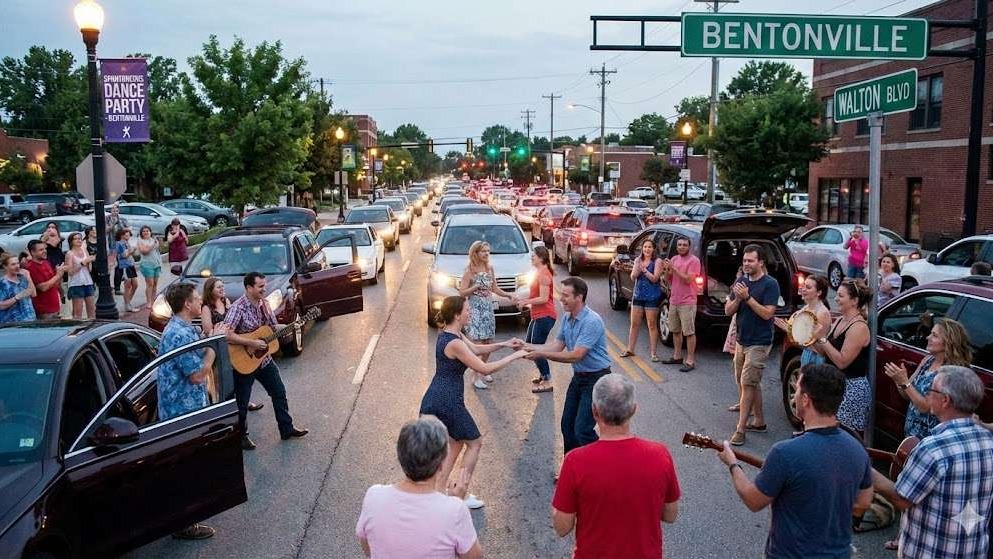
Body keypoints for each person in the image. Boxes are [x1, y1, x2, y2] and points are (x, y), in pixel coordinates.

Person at [718, 363, 874, 558]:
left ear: (807, 400)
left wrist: (733, 464)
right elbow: (864, 501)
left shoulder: (785, 452)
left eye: (798, 389)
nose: (795, 394)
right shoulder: (857, 449)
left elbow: (753, 500)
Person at [551, 373, 681, 558]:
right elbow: (670, 515)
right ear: (634, 409)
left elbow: (562, 527)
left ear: (595, 412)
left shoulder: (575, 461)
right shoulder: (660, 454)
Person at [871, 366, 993, 559]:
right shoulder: (988, 440)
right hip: (974, 550)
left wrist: (869, 474)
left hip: (931, 551)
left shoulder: (932, 448)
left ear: (945, 400)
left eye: (932, 390)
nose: (927, 393)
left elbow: (903, 499)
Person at [419, 295, 525, 509]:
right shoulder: (455, 342)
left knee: (457, 441)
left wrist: (505, 344)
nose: (470, 312)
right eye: (467, 310)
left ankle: (442, 491)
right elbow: (483, 368)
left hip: (441, 396)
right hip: (446, 400)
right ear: (457, 315)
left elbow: (476, 350)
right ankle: (460, 494)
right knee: (475, 442)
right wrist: (517, 356)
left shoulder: (452, 333)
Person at [356, 416, 482, 558]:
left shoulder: (374, 496)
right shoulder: (454, 511)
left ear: (400, 457)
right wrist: (455, 502)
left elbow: (368, 547)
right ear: (441, 465)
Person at [516, 277, 612, 455]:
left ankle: (604, 460)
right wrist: (527, 347)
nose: (561, 299)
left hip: (597, 379)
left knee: (582, 429)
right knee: (567, 426)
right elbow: (557, 345)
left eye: (566, 295)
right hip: (579, 378)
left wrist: (541, 354)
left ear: (579, 297)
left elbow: (575, 355)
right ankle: (572, 468)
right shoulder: (568, 317)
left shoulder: (591, 321)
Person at [157, 282, 220, 540]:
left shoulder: (184, 329)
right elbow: (196, 374)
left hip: (189, 407)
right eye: (196, 298)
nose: (200, 302)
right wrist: (212, 351)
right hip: (180, 413)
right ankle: (184, 524)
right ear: (187, 304)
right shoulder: (178, 334)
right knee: (184, 467)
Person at [223, 271, 308, 450]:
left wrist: (290, 328)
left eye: (265, 285)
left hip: (264, 360)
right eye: (260, 286)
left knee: (279, 391)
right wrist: (251, 342)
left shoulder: (265, 304)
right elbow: (226, 335)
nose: (264, 289)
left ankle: (286, 428)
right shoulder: (238, 308)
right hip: (243, 361)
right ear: (248, 288)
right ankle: (241, 436)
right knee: (242, 402)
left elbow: (270, 329)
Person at [725, 244, 780, 446]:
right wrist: (738, 298)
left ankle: (740, 429)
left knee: (748, 382)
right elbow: (728, 311)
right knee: (744, 380)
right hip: (742, 339)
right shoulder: (740, 282)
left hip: (760, 341)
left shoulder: (770, 284)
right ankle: (759, 421)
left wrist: (748, 298)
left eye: (750, 261)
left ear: (760, 262)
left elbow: (768, 313)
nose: (746, 264)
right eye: (744, 260)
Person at [882, 318, 973, 440]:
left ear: (948, 342)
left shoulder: (952, 372)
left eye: (934, 336)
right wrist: (899, 380)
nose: (927, 337)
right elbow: (907, 395)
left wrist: (905, 381)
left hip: (931, 438)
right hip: (911, 434)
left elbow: (927, 408)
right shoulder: (927, 360)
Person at [812, 279, 872, 434]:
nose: (836, 299)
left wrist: (823, 339)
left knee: (844, 435)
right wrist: (809, 338)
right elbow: (824, 352)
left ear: (854, 301)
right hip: (833, 386)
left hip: (850, 389)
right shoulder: (839, 320)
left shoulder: (859, 327)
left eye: (840, 296)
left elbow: (842, 361)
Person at [201, 278, 264, 413]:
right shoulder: (206, 308)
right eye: (218, 287)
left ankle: (244, 401)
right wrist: (219, 330)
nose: (222, 289)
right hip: (217, 347)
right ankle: (223, 406)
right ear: (210, 290)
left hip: (232, 344)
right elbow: (207, 330)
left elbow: (233, 322)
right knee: (220, 378)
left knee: (238, 374)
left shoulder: (226, 301)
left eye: (222, 286)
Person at [459, 241, 514, 390]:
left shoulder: (490, 268)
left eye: (488, 251)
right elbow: (462, 292)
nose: (486, 254)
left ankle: (483, 368)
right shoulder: (470, 270)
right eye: (483, 251)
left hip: (488, 307)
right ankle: (475, 374)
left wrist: (508, 295)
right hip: (475, 308)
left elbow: (494, 288)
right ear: (475, 253)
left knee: (488, 341)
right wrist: (475, 287)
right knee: (478, 343)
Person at [516, 245, 557, 394]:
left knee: (536, 349)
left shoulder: (543, 274)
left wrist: (526, 301)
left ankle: (547, 380)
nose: (531, 257)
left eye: (533, 255)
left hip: (545, 316)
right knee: (529, 346)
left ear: (541, 257)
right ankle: (542, 374)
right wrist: (524, 301)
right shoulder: (539, 272)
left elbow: (544, 298)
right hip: (537, 316)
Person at [620, 238, 665, 363]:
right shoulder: (638, 260)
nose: (647, 249)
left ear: (654, 249)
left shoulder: (657, 261)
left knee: (651, 325)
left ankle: (653, 353)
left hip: (652, 296)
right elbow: (633, 277)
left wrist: (644, 270)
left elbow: (655, 278)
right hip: (638, 295)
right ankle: (630, 349)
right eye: (645, 247)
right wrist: (637, 270)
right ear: (642, 248)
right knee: (634, 324)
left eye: (649, 247)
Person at [774, 274, 831, 368]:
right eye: (803, 285)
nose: (803, 289)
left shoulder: (822, 313)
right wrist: (790, 330)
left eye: (808, 287)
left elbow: (821, 349)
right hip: (806, 355)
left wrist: (790, 331)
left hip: (815, 359)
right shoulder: (806, 308)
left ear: (819, 292)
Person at [662, 237, 701, 371]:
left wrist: (674, 268)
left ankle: (690, 360)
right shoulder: (674, 259)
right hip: (674, 300)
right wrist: (667, 269)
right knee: (675, 330)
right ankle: (677, 356)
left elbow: (688, 279)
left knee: (689, 332)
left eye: (684, 245)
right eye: (679, 245)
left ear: (689, 247)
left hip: (687, 301)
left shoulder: (694, 261)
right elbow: (668, 279)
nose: (682, 247)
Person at [23, 240, 65, 319]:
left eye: (45, 249)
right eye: (41, 250)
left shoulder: (46, 262)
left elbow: (54, 282)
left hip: (55, 307)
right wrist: (58, 275)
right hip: (44, 310)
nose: (45, 251)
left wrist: (60, 273)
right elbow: (43, 287)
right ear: (32, 252)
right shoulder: (31, 267)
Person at [65, 232, 97, 319]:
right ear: (71, 241)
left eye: (80, 238)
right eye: (76, 239)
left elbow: (89, 269)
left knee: (92, 309)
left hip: (88, 282)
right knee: (78, 312)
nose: (79, 240)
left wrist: (90, 261)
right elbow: (70, 272)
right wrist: (82, 263)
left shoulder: (84, 250)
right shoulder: (69, 254)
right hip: (76, 284)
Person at [0, 252, 37, 323]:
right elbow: (1, 306)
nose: (17, 266)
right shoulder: (2, 283)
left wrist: (28, 275)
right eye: (13, 264)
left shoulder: (23, 278)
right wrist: (16, 298)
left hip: (30, 320)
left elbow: (34, 294)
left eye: (17, 263)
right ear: (5, 266)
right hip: (12, 324)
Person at [136, 225, 161, 311]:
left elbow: (157, 247)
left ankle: (153, 299)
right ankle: (149, 301)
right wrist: (151, 245)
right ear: (141, 233)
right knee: (150, 283)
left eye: (147, 231)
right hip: (147, 264)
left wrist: (154, 243)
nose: (146, 232)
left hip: (156, 263)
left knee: (155, 283)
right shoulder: (140, 241)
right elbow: (144, 251)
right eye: (144, 231)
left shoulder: (153, 240)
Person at [114, 228, 139, 313]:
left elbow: (132, 254)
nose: (128, 235)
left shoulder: (127, 243)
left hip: (131, 265)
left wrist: (132, 251)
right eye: (126, 234)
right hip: (124, 266)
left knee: (135, 284)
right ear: (121, 235)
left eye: (128, 234)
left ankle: (128, 301)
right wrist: (131, 251)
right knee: (128, 286)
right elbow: (122, 256)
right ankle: (127, 304)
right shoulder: (119, 244)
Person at [106, 205, 129, 294]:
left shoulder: (122, 219)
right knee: (111, 266)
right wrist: (112, 224)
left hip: (121, 246)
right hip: (111, 245)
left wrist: (125, 230)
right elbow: (106, 230)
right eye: (113, 210)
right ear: (110, 210)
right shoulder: (107, 219)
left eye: (116, 210)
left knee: (119, 267)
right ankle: (109, 286)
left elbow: (128, 229)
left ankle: (117, 288)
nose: (115, 211)